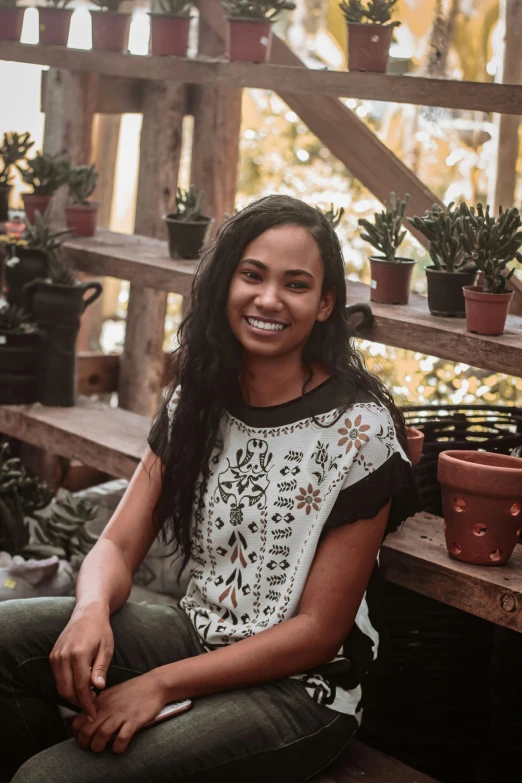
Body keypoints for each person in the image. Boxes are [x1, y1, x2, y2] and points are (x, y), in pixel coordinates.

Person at [0, 195, 421, 783]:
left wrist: (156, 686)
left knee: (49, 781)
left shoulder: (360, 431)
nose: (269, 299)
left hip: (299, 692)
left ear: (326, 303)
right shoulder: (197, 400)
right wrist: (91, 609)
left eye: (296, 285)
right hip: (194, 635)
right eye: (252, 275)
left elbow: (318, 632)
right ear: (225, 283)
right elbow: (119, 546)